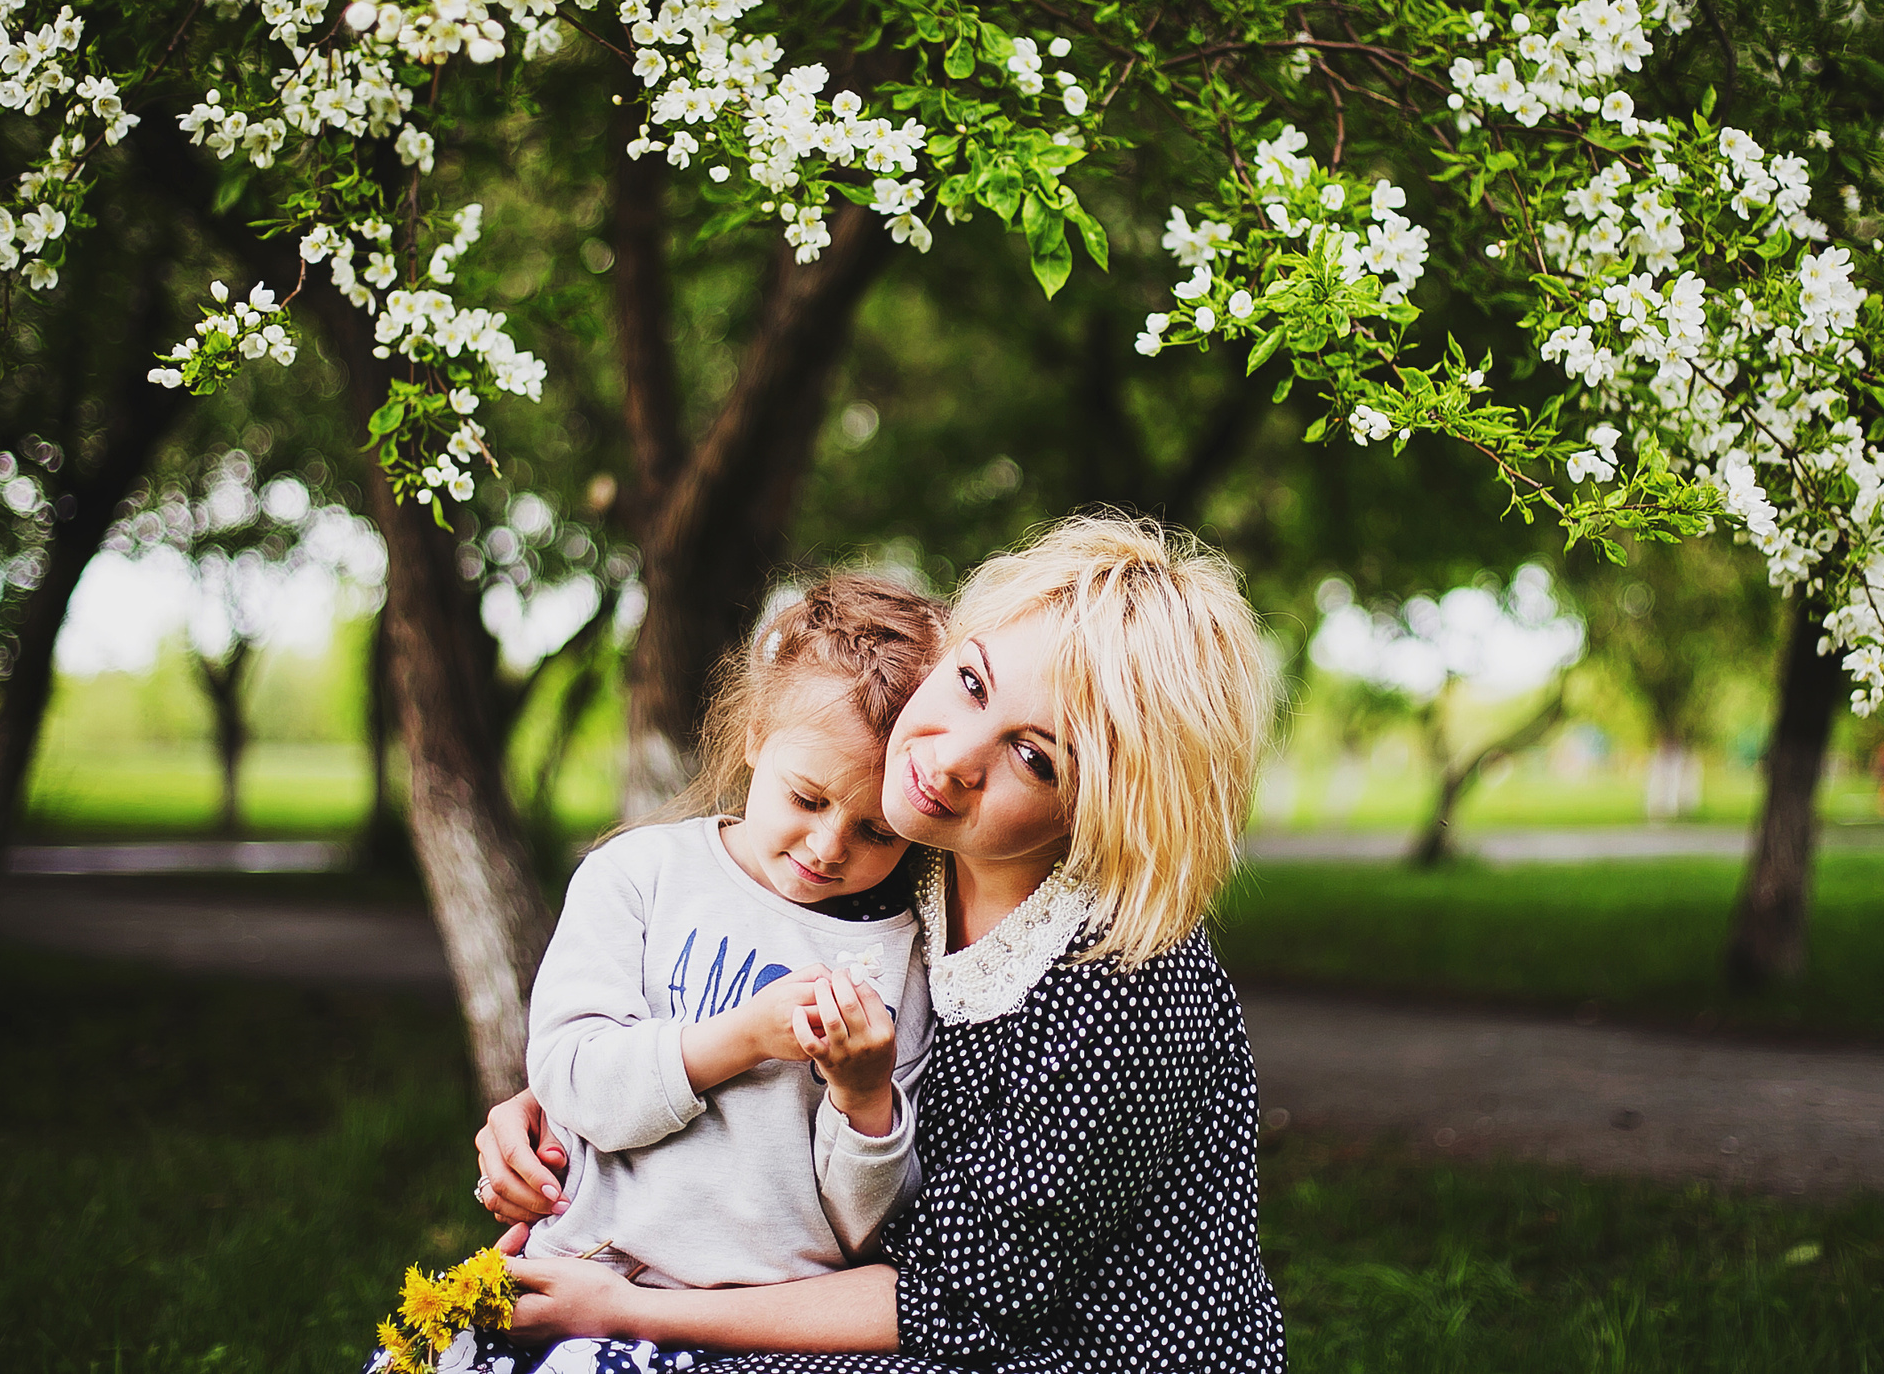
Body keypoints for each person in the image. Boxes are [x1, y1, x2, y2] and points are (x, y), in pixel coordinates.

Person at [473, 514, 1287, 1373]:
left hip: (1067, 1351)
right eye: (972, 683)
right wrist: (549, 1107)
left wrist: (636, 1311)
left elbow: (961, 1307)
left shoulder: (1124, 985)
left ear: (1110, 806)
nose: (951, 761)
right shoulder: (895, 861)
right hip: (883, 1304)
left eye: (1036, 759)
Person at [475, 575, 951, 1374]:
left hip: (763, 1325)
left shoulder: (905, 954)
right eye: (807, 797)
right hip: (589, 1276)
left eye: (875, 828)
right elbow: (573, 1081)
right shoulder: (641, 876)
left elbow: (863, 1227)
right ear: (756, 735)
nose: (831, 846)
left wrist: (865, 1097)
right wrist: (742, 1037)